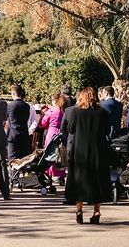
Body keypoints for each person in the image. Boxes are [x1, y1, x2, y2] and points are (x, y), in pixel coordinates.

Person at [65, 87, 111, 224]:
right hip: (98, 151)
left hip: (80, 151)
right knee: (97, 180)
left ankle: (79, 210)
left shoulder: (76, 112)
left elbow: (70, 129)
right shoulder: (103, 112)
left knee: (79, 180)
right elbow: (107, 130)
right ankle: (96, 211)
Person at [40, 93, 67, 180]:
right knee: (61, 155)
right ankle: (61, 175)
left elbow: (43, 123)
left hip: (51, 133)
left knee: (50, 154)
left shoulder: (51, 112)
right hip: (62, 133)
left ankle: (50, 174)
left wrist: (42, 114)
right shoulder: (64, 112)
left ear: (55, 101)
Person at [6, 84, 31, 161]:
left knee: (13, 160)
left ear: (13, 93)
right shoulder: (27, 106)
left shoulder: (10, 106)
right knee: (24, 161)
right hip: (24, 135)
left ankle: (13, 173)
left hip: (13, 136)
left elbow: (5, 117)